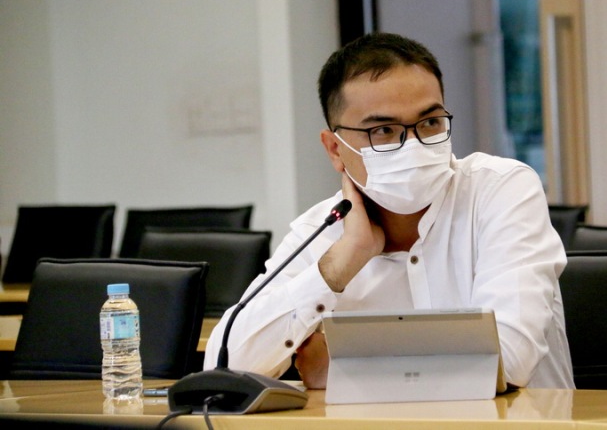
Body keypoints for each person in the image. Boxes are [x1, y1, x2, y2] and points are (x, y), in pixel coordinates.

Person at [203, 32, 574, 389]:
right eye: (383, 130)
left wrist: (341, 371)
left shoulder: (500, 190)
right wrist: (340, 264)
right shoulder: (322, 228)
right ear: (334, 149)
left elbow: (509, 361)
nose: (413, 144)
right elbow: (223, 367)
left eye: (430, 123)